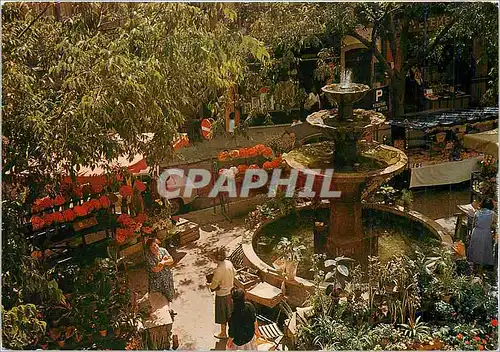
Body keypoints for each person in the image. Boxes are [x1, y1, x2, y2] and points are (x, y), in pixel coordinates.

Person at [207, 247, 236, 339]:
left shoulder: (218, 270)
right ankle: (233, 332)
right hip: (230, 292)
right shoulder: (229, 263)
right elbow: (234, 273)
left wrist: (208, 285)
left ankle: (223, 333)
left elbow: (214, 285)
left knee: (222, 315)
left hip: (222, 295)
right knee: (230, 313)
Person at [146, 238, 176, 314]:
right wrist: (164, 261)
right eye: (153, 247)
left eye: (155, 245)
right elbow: (155, 269)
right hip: (156, 279)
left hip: (167, 277)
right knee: (160, 295)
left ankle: (170, 309)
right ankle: (164, 312)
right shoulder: (149, 256)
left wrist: (163, 262)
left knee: (168, 293)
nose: (155, 248)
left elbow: (171, 261)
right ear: (149, 249)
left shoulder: (163, 250)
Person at [467, 198, 497, 272]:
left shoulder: (477, 213)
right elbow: (495, 224)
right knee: (484, 251)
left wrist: (470, 235)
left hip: (476, 232)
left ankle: (474, 268)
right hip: (486, 233)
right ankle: (481, 270)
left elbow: (473, 224)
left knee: (475, 250)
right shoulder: (492, 214)